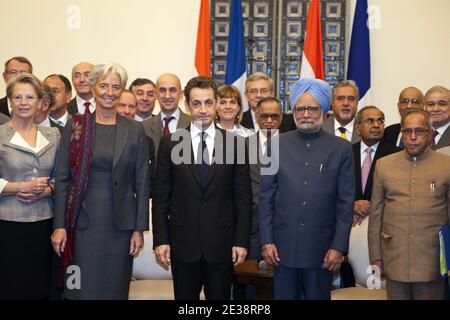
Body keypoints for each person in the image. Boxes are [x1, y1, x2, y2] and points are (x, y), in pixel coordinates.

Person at [51, 63, 150, 300]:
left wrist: (138, 229)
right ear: (93, 88)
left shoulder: (135, 130)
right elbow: (63, 179)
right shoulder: (76, 126)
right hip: (81, 224)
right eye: (104, 85)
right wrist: (59, 225)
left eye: (116, 87)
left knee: (114, 290)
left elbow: (142, 182)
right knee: (79, 288)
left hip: (120, 229)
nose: (110, 92)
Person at [152, 76, 252, 300]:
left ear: (216, 103)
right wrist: (161, 240)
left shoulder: (236, 144)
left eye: (208, 102)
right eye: (196, 103)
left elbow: (243, 198)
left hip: (222, 246)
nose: (203, 109)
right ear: (187, 106)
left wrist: (241, 241)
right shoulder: (170, 143)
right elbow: (161, 198)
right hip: (183, 245)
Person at [259, 78, 354, 300]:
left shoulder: (341, 149)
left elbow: (345, 203)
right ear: (293, 111)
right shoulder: (275, 145)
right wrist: (267, 241)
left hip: (322, 250)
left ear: (323, 111)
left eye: (312, 108)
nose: (306, 114)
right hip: (282, 248)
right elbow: (266, 198)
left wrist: (338, 247)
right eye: (300, 108)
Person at [368, 108, 450, 300]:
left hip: (432, 260)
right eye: (407, 131)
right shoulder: (384, 165)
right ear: (402, 133)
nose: (413, 137)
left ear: (429, 134)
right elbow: (376, 215)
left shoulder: (446, 165)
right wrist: (375, 257)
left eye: (419, 131)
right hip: (394, 257)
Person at [0, 73, 60, 299]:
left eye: (29, 97)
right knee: (11, 285)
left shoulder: (53, 134)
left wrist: (48, 190)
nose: (24, 103)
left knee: (41, 285)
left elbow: (61, 178)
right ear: (10, 101)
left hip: (45, 222)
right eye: (18, 97)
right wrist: (20, 186)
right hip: (8, 224)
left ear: (40, 102)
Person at [340, 106, 400, 287]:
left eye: (380, 121)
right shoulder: (344, 152)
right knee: (350, 282)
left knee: (379, 286)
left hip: (382, 228)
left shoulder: (396, 155)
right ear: (358, 128)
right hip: (347, 225)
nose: (376, 125)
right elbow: (334, 188)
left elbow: (398, 191)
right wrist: (352, 205)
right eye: (370, 121)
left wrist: (372, 205)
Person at [142, 73, 191, 154]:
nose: (167, 96)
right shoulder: (144, 126)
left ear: (181, 94)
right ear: (156, 95)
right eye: (162, 90)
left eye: (173, 90)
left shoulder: (194, 123)